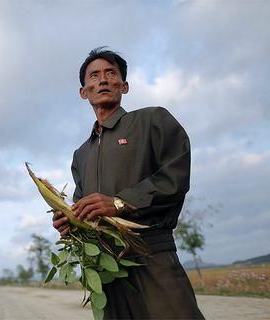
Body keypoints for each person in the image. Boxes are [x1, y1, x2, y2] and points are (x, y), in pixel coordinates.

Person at [52, 47, 205, 319]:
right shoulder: (81, 155)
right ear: (83, 91)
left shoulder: (152, 121)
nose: (102, 79)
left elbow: (175, 176)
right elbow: (83, 206)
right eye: (94, 75)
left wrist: (119, 202)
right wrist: (70, 222)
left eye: (111, 73)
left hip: (152, 254)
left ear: (124, 86)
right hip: (106, 267)